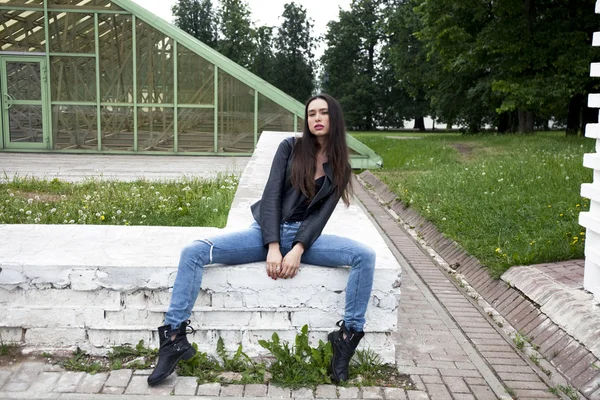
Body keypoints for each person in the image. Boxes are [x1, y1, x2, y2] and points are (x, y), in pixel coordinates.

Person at [147, 93, 376, 386]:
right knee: (194, 252)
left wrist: (297, 249)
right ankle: (174, 338)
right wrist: (273, 246)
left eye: (323, 113)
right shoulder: (290, 148)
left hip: (305, 239)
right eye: (311, 114)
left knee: (364, 256)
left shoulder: (341, 164)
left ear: (335, 117)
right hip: (267, 232)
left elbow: (320, 217)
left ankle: (345, 339)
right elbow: (271, 198)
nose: (316, 118)